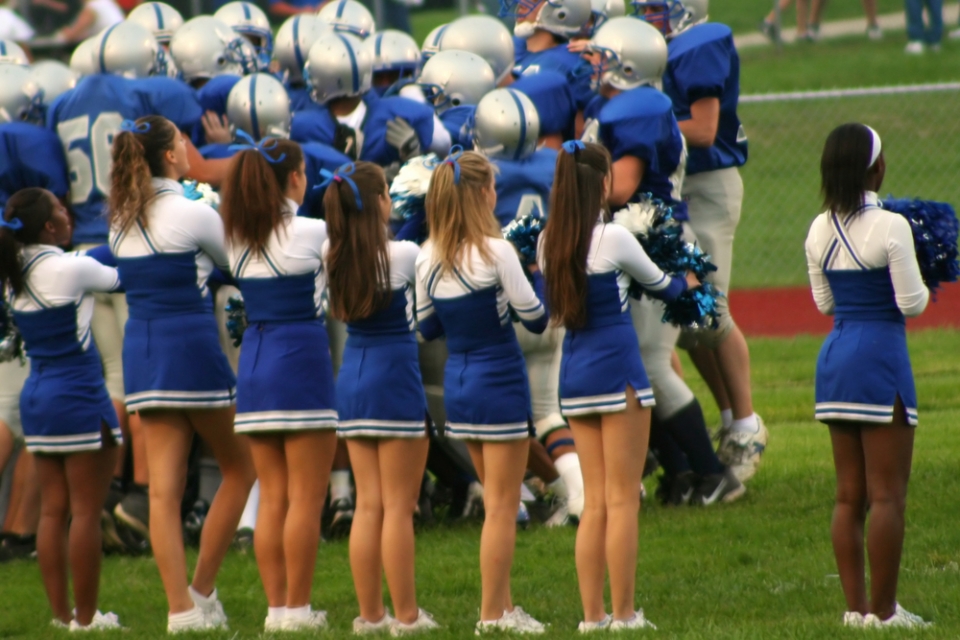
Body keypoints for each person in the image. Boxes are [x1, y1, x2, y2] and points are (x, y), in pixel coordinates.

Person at [108, 115, 256, 633]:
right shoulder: (192, 213)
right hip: (190, 348)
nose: (190, 145)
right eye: (183, 139)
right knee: (242, 467)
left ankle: (181, 612)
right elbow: (240, 262)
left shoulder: (119, 219)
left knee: (163, 493)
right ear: (170, 157)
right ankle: (202, 590)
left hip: (143, 353)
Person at [538, 141, 693, 631]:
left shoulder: (548, 241)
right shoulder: (614, 240)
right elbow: (665, 286)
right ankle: (623, 616)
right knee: (624, 499)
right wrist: (689, 275)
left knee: (597, 501)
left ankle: (592, 617)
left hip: (576, 380)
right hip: (618, 375)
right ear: (602, 184)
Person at [415, 150, 548, 634]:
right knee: (502, 508)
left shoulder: (427, 255)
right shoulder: (498, 251)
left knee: (497, 502)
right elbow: (536, 318)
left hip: (461, 385)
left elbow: (426, 327)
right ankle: (492, 616)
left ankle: (504, 607)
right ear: (479, 195)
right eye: (491, 186)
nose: (497, 193)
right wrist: (537, 275)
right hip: (500, 381)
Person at [636, 0, 768, 482]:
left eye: (656, 7)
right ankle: (728, 419)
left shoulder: (699, 43)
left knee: (707, 311)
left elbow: (706, 130)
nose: (647, 16)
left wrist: (637, 131)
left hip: (705, 184)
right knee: (683, 322)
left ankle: (746, 422)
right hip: (672, 184)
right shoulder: (657, 45)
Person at [805, 123, 930, 629]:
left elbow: (823, 303)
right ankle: (885, 611)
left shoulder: (817, 228)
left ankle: (855, 610)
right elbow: (913, 304)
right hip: (880, 358)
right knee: (887, 495)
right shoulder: (893, 226)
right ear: (876, 169)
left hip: (834, 359)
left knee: (847, 494)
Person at [220, 138, 338, 632]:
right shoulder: (314, 231)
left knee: (273, 497)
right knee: (307, 500)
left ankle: (276, 612)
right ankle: (298, 610)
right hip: (302, 364)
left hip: (255, 365)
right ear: (294, 178)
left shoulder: (236, 236)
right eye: (304, 171)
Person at [322, 161, 439, 634]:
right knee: (398, 506)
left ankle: (370, 617)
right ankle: (407, 617)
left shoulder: (332, 254)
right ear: (377, 204)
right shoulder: (405, 255)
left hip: (352, 379)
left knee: (367, 505)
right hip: (393, 381)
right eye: (387, 192)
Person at [0, 188, 123, 630]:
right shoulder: (70, 269)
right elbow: (121, 275)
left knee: (53, 512)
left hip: (39, 398)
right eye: (59, 209)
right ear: (49, 227)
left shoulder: (16, 272)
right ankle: (87, 620)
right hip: (77, 397)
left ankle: (62, 615)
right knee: (86, 512)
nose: (68, 213)